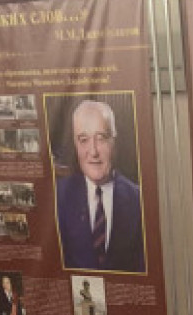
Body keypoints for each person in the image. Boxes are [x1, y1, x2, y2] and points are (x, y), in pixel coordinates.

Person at [55, 99, 146, 273]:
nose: (93, 151)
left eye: (101, 138)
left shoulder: (138, 200)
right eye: (83, 140)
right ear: (75, 144)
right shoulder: (58, 196)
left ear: (114, 141)